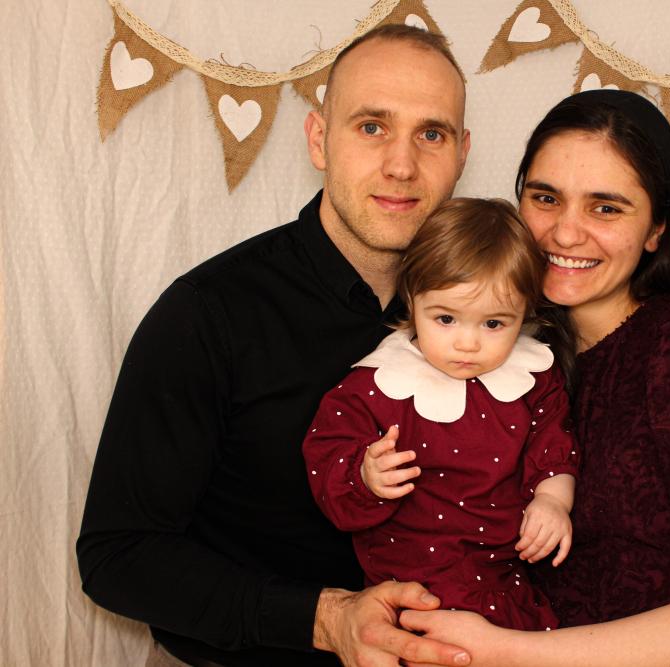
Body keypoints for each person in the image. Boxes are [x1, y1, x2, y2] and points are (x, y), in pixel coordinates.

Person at [77, 25, 475, 667]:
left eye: (432, 134)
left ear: (462, 153)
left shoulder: (494, 313)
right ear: (319, 139)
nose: (402, 165)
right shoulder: (207, 314)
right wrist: (325, 620)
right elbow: (117, 556)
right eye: (372, 126)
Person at [400, 89, 670, 667]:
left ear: (657, 227)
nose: (565, 235)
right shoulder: (495, 354)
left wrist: (504, 652)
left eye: (606, 208)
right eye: (546, 199)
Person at [303, 198, 578, 632]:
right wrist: (366, 475)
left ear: (524, 311)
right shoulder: (374, 387)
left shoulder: (533, 378)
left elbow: (555, 448)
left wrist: (552, 500)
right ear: (412, 300)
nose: (467, 343)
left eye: (494, 324)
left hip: (503, 583)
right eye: (446, 318)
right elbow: (327, 465)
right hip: (410, 590)